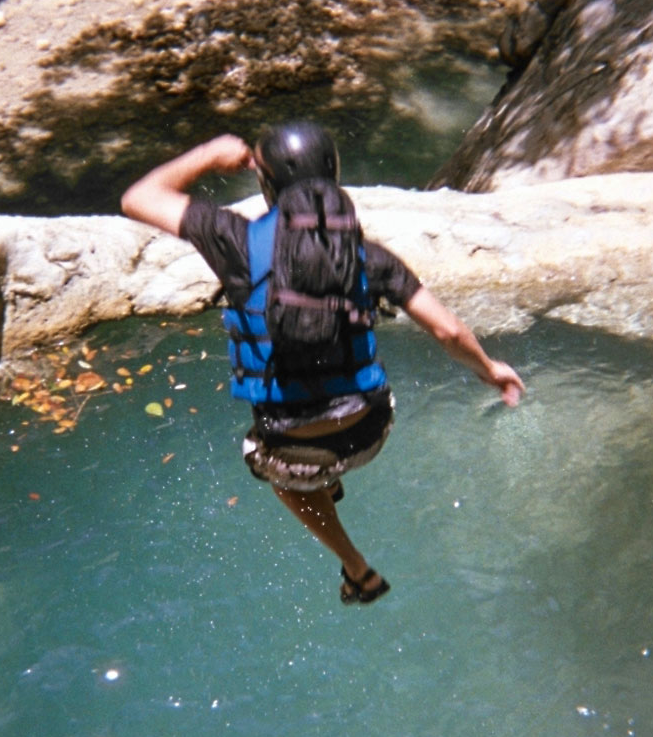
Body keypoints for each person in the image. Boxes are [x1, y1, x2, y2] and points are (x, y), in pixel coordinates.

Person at [121, 121, 524, 605]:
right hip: (372, 429)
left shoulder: (233, 240)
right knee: (331, 424)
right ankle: (325, 478)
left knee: (267, 461)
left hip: (295, 450)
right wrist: (490, 369)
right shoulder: (368, 256)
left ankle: (358, 570)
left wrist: (210, 153)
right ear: (333, 177)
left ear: (267, 187)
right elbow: (449, 331)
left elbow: (139, 197)